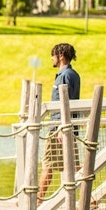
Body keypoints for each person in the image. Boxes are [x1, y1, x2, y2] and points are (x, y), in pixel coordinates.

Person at [38, 43, 81, 200]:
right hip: (65, 126)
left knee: (48, 164)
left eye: (53, 55)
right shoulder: (72, 74)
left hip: (59, 127)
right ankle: (89, 199)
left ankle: (37, 199)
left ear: (61, 56)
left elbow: (65, 101)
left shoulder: (65, 76)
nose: (52, 58)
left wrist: (63, 127)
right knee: (73, 166)